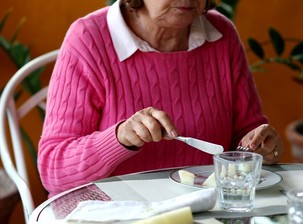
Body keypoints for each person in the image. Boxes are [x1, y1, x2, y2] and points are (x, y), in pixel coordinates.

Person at [38, 0, 284, 197]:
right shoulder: (89, 38)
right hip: (109, 222)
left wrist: (259, 146)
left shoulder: (222, 34)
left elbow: (245, 137)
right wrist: (119, 138)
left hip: (204, 218)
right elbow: (53, 169)